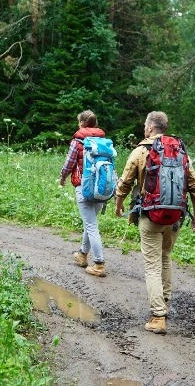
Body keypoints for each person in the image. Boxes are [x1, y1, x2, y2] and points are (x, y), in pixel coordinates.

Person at [114, 111, 195, 334]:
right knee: (165, 258)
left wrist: (119, 204)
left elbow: (125, 182)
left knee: (152, 265)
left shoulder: (141, 150)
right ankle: (165, 303)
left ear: (151, 127)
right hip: (175, 217)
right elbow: (194, 186)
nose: (144, 128)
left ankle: (158, 316)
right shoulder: (179, 151)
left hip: (150, 216)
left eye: (146, 125)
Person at [59, 110, 108, 277]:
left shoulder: (78, 141)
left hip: (84, 187)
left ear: (81, 123)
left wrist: (63, 177)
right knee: (91, 223)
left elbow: (69, 163)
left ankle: (99, 264)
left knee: (91, 226)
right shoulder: (104, 141)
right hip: (101, 188)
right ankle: (82, 255)